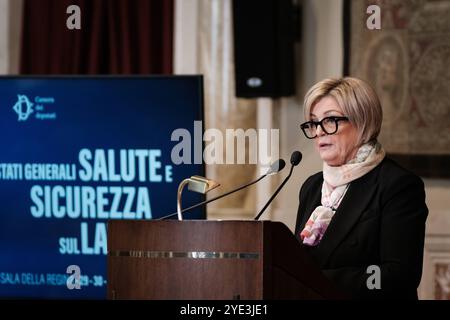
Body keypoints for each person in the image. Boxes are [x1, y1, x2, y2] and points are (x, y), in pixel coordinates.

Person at [295, 77, 428, 299]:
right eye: (313, 123)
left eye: (329, 121)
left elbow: (398, 275)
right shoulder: (312, 186)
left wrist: (316, 281)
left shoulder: (397, 186)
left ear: (362, 121)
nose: (318, 132)